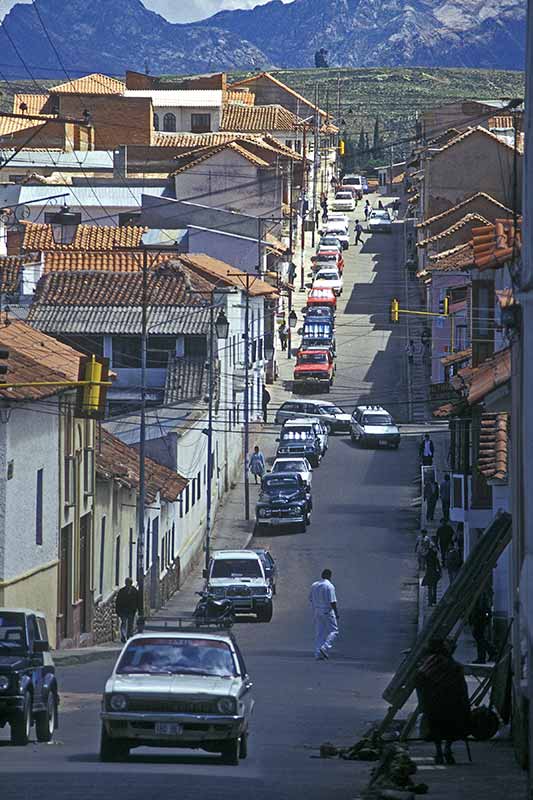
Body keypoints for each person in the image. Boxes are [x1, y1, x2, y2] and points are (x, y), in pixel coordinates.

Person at [415, 638, 470, 765]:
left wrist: (424, 700)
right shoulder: (453, 664)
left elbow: (419, 678)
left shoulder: (431, 661)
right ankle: (447, 750)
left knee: (436, 727)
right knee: (451, 726)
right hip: (452, 702)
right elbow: (461, 685)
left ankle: (439, 751)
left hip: (435, 702)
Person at [309, 568, 339, 660]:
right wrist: (336, 613)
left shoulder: (314, 585)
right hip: (327, 610)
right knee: (334, 631)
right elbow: (332, 602)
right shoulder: (329, 586)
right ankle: (325, 647)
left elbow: (310, 598)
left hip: (317, 610)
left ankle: (318, 653)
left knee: (319, 632)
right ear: (330, 576)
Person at [469, 590, 496, 664]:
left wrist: (482, 618)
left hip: (480, 620)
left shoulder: (480, 594)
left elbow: (482, 608)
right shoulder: (479, 593)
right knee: (480, 638)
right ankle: (491, 652)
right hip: (479, 619)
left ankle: (483, 657)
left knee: (479, 638)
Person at [115, 577, 139, 643]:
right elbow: (118, 601)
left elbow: (138, 601)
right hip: (123, 610)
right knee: (124, 623)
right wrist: (118, 610)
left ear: (131, 583)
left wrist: (138, 609)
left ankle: (129, 636)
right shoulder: (122, 591)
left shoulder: (135, 591)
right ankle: (123, 636)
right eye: (126, 583)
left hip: (131, 610)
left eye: (128, 583)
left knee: (130, 624)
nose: (127, 584)